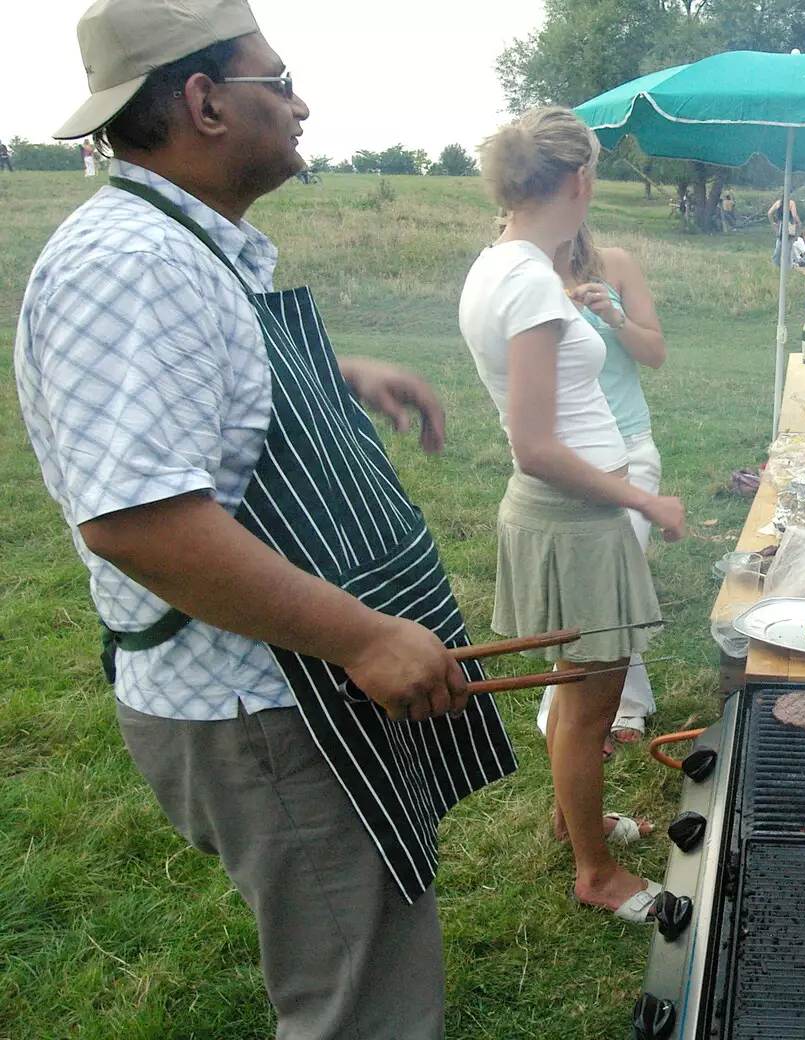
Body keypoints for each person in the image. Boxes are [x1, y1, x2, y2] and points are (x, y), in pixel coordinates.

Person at [16, 1, 518, 1034]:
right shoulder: (135, 264)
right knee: (358, 1001)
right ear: (204, 102)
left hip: (285, 692)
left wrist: (329, 369)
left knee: (373, 945)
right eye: (276, 80)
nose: (299, 104)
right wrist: (367, 635)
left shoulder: (183, 246)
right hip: (261, 705)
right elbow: (139, 520)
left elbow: (190, 393)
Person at [459, 106, 687, 923]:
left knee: (579, 696)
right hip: (574, 514)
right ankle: (595, 873)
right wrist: (643, 497)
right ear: (581, 180)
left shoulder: (503, 263)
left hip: (570, 514)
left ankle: (572, 819)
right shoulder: (525, 279)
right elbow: (535, 446)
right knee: (590, 704)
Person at [530, 224, 669, 747]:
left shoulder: (616, 265)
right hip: (564, 455)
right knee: (583, 587)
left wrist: (613, 317)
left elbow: (655, 353)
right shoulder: (522, 276)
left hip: (629, 446)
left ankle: (618, 706)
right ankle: (575, 710)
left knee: (617, 579)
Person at [768, 194, 800, 263]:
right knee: (788, 246)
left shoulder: (778, 203)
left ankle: (776, 262)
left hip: (780, 225)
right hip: (789, 225)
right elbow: (794, 216)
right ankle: (787, 264)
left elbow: (769, 213)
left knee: (779, 243)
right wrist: (799, 223)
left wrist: (773, 223)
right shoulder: (791, 203)